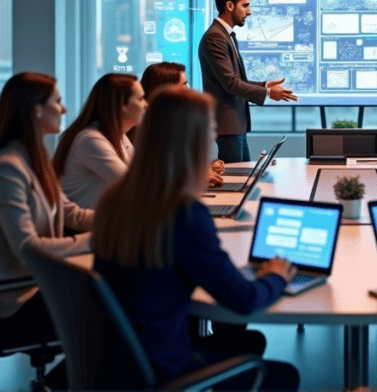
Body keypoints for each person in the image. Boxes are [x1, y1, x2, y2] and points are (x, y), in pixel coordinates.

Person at [92, 86, 300, 390]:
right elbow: (244, 301)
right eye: (212, 128)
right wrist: (278, 276)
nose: (215, 136)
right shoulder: (184, 213)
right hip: (165, 366)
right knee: (284, 376)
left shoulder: (115, 199)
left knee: (249, 340)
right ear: (194, 139)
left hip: (117, 362)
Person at [0, 72, 94, 322]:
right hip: (20, 296)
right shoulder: (6, 169)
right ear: (36, 109)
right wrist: (91, 241)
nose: (64, 109)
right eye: (57, 101)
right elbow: (27, 248)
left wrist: (117, 224)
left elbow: (71, 213)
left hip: (45, 282)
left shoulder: (33, 160)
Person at [198, 0, 297, 163]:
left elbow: (236, 79)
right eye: (245, 5)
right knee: (234, 182)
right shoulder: (215, 37)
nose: (249, 12)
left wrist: (265, 85)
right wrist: (267, 93)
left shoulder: (225, 35)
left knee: (242, 178)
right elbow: (231, 84)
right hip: (228, 127)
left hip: (236, 126)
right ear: (229, 6)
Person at [52, 73, 146, 209]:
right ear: (121, 105)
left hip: (97, 224)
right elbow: (134, 185)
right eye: (141, 99)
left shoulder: (118, 136)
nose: (146, 104)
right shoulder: (90, 139)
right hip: (78, 227)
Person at [135, 62, 225, 186]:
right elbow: (158, 173)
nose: (189, 89)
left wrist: (208, 166)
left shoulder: (174, 121)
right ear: (166, 88)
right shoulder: (147, 128)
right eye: (184, 84)